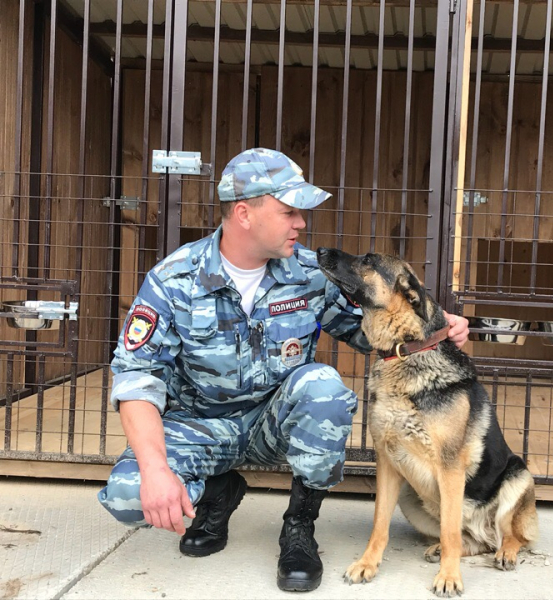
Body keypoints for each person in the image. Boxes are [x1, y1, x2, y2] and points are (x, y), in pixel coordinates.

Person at [97, 148, 470, 593]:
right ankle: (217, 494)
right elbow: (137, 377)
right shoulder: (175, 278)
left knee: (323, 387)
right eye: (289, 211)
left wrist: (433, 328)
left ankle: (299, 526)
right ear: (244, 214)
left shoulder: (310, 274)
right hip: (200, 426)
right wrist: (157, 470)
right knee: (128, 494)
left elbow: (373, 330)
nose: (301, 223)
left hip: (274, 425)